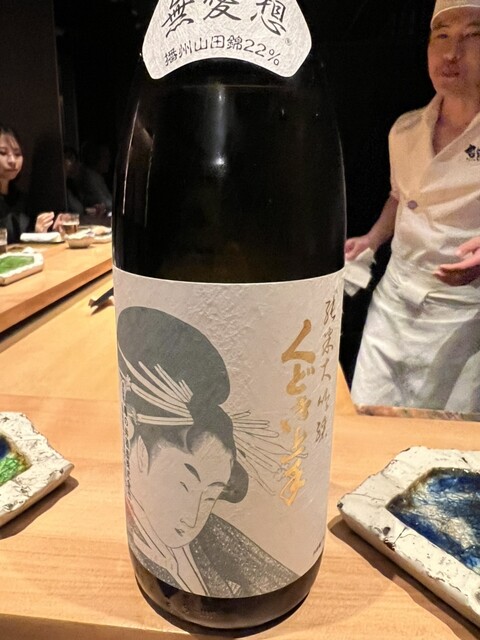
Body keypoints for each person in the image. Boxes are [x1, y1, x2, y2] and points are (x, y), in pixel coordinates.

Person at [345, 0, 480, 413]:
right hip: (393, 303)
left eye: (472, 35)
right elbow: (402, 196)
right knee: (367, 422)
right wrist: (372, 238)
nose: (451, 52)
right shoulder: (405, 129)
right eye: (442, 36)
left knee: (441, 438)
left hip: (461, 316)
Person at [117, 306, 297, 597]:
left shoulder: (220, 539)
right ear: (138, 447)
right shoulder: (157, 535)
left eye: (211, 496)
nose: (193, 517)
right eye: (184, 484)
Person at [0, 123, 61, 241]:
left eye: (17, 154)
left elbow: (28, 234)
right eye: (2, 153)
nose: (12, 160)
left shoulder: (21, 199)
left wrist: (50, 227)